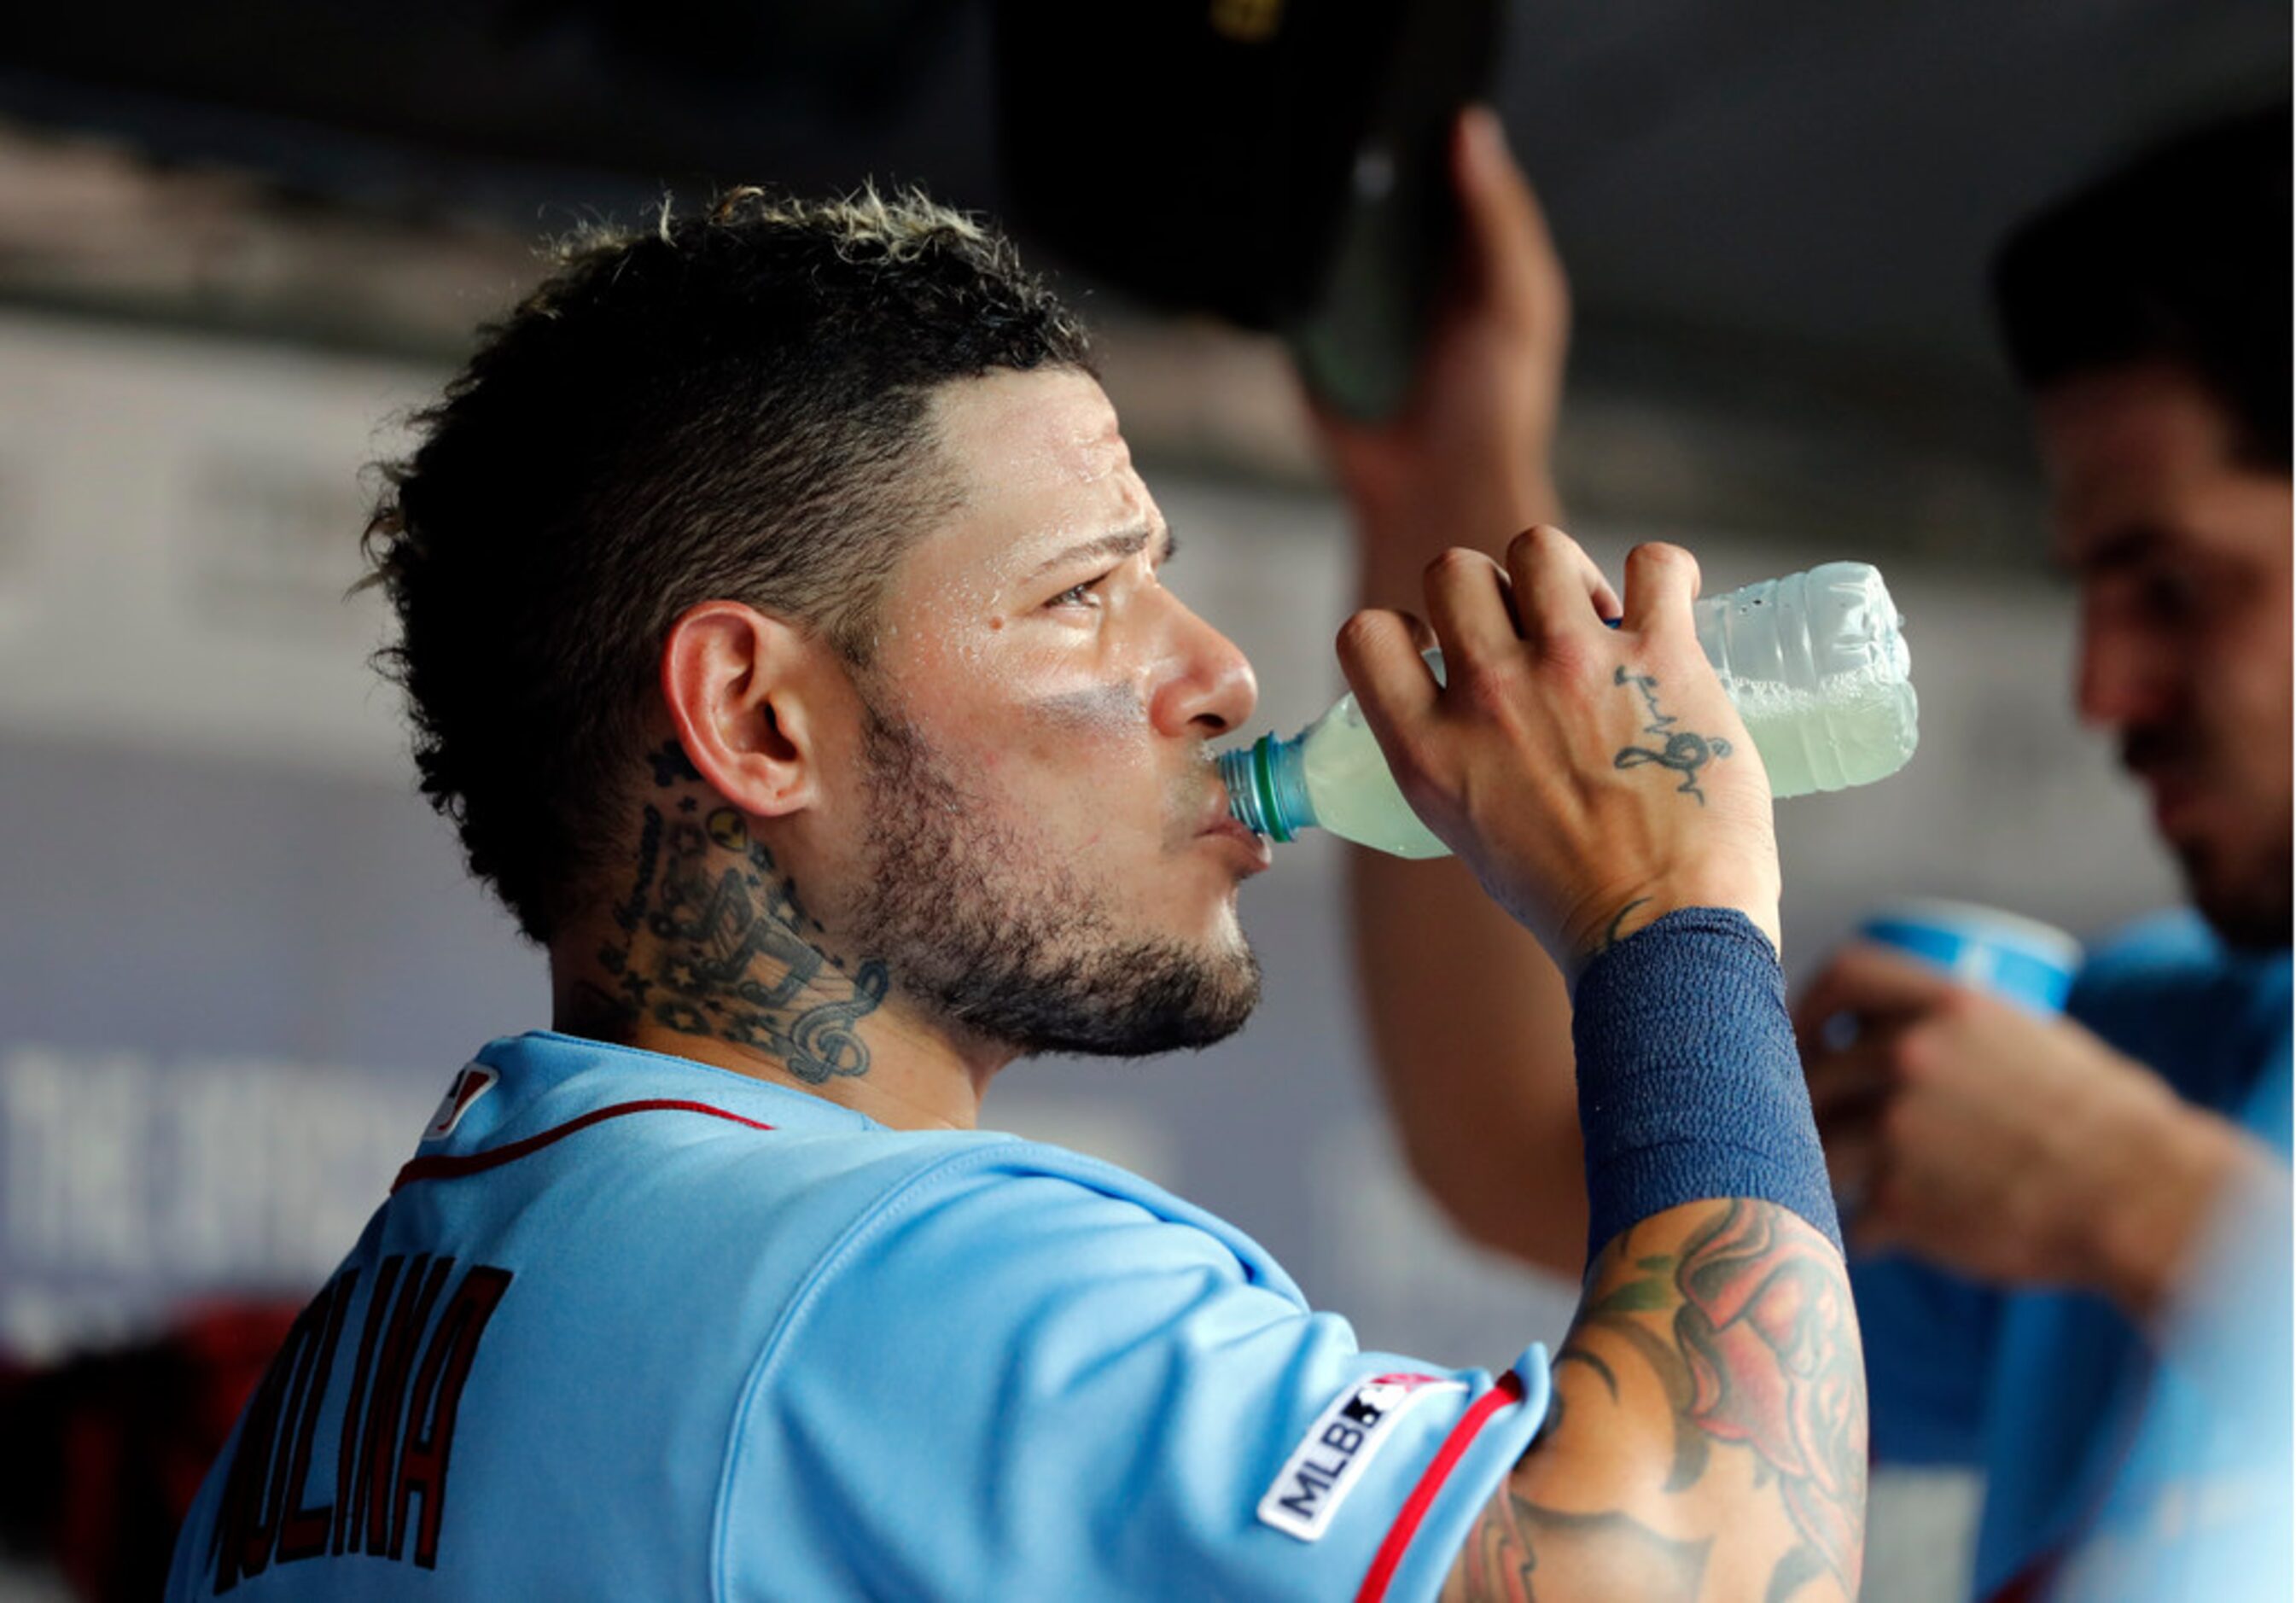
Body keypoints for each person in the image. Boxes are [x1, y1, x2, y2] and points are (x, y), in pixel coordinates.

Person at [166, 179, 1867, 1600]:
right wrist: (1672, 908)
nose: (1210, 673)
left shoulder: (349, 1367)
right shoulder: (894, 1279)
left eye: (1163, 580)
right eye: (1081, 597)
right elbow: (1706, 1568)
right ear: (759, 718)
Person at [1338, 107, 2291, 1602]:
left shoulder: (2127, 1146)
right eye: (2095, 593)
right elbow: (1519, 1139)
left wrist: (2160, 1207)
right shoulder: (2174, 1046)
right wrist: (1451, 455)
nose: (2099, 688)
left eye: (2174, 586)